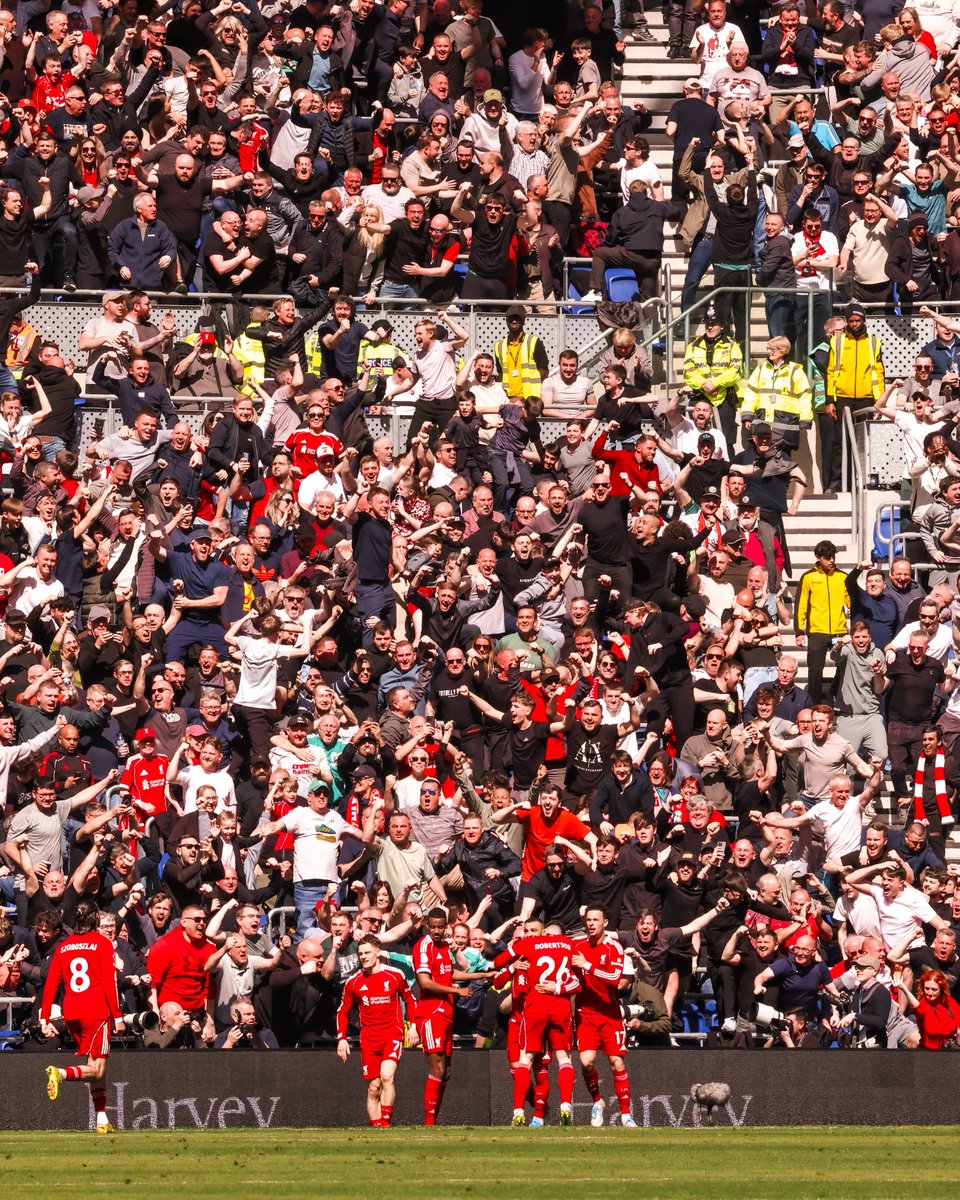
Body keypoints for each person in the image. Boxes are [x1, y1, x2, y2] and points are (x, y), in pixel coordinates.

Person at [40, 899, 124, 1134]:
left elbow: (51, 984)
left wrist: (45, 1016)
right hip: (96, 1011)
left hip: (72, 1012)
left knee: (95, 1065)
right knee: (97, 1070)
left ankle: (101, 1119)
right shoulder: (103, 943)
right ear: (96, 919)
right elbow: (109, 983)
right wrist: (117, 1016)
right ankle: (60, 1073)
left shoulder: (64, 947)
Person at [413, 907, 490, 1125]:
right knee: (436, 1068)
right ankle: (429, 1123)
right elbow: (425, 982)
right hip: (431, 1013)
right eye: (433, 926)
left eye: (440, 926)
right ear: (427, 925)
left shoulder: (444, 947)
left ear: (447, 926)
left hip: (446, 1013)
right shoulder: (423, 947)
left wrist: (481, 974)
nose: (436, 931)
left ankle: (433, 1120)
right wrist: (457, 991)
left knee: (446, 1072)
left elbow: (449, 972)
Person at [336, 935, 416, 1126]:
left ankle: (386, 1123)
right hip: (369, 1038)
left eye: (367, 953)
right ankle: (376, 1127)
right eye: (360, 953)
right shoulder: (353, 982)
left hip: (392, 1034)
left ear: (378, 952)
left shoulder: (395, 975)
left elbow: (410, 1000)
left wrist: (413, 1025)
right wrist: (341, 1038)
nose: (363, 957)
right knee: (373, 1088)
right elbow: (342, 1011)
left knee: (387, 1076)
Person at [571, 906, 637, 1127]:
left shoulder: (613, 948)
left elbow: (613, 977)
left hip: (609, 1013)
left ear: (605, 923)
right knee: (586, 1062)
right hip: (585, 1014)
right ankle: (598, 1102)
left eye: (595, 920)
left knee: (616, 1062)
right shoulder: (577, 945)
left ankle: (626, 1115)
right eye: (588, 920)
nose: (591, 924)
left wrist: (587, 966)